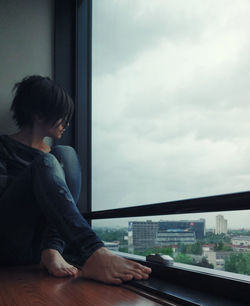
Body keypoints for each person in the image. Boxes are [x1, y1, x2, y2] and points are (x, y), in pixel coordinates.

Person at [0, 75, 151, 284]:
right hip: (9, 243)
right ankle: (92, 253)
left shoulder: (57, 158)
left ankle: (53, 249)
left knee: (66, 154)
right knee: (48, 163)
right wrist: (38, 179)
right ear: (39, 114)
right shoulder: (4, 146)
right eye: (61, 116)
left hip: (39, 249)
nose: (67, 123)